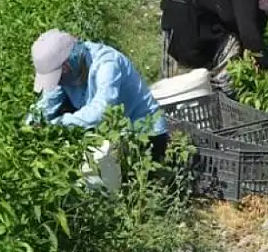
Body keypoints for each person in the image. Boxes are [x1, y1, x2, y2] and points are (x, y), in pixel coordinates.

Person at [27, 29, 170, 163]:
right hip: (112, 134)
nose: (58, 82)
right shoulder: (66, 74)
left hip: (144, 133)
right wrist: (28, 127)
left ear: (66, 67)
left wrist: (55, 126)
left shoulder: (107, 65)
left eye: (58, 77)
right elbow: (47, 103)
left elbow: (101, 112)